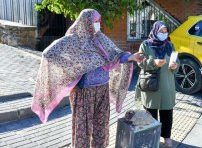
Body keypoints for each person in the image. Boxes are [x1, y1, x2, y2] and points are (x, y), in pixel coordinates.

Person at [31, 9, 143, 148]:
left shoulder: (100, 39)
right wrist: (72, 68)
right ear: (86, 22)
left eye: (99, 21)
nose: (98, 24)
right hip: (83, 92)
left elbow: (116, 55)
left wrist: (132, 57)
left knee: (101, 128)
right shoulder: (74, 40)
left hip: (102, 90)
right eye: (95, 21)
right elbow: (49, 53)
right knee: (82, 130)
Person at [135, 21, 179, 147]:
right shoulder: (146, 44)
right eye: (161, 31)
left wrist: (175, 65)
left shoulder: (170, 45)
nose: (164, 34)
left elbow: (177, 61)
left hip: (167, 84)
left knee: (167, 112)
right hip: (150, 84)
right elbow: (140, 61)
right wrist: (153, 62)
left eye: (166, 31)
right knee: (150, 113)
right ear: (155, 31)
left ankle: (166, 136)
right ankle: (151, 136)